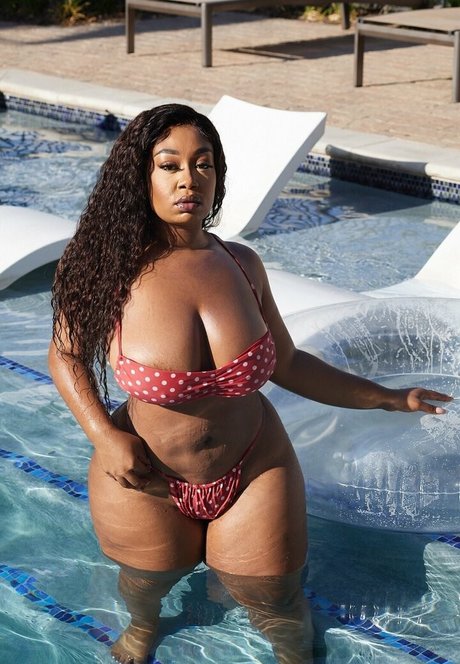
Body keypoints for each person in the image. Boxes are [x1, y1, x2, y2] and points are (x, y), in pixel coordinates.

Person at [48, 103, 452, 664]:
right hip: (146, 473)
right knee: (145, 583)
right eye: (170, 165)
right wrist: (104, 436)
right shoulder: (107, 269)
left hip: (254, 465)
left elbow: (288, 362)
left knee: (275, 600)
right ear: (141, 177)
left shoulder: (243, 265)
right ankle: (144, 627)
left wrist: (387, 397)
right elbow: (66, 356)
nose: (189, 179)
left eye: (204, 163)